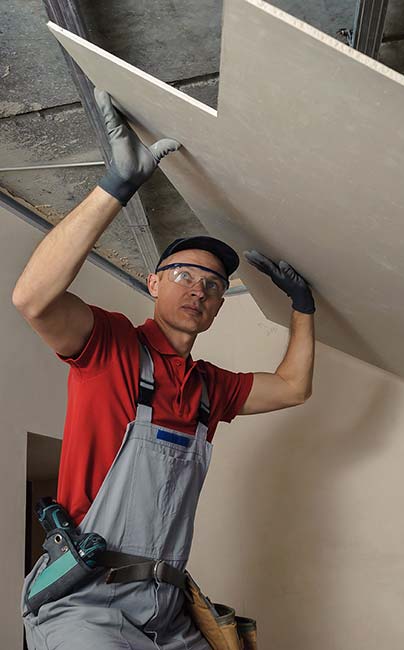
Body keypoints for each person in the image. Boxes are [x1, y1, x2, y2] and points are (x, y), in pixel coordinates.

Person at [14, 90, 316, 649]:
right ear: (152, 283)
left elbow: (294, 387)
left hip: (169, 608)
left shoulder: (209, 389)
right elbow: (32, 298)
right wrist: (117, 186)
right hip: (85, 603)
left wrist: (303, 309)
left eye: (213, 284)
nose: (198, 288)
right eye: (182, 274)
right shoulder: (110, 347)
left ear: (221, 304)